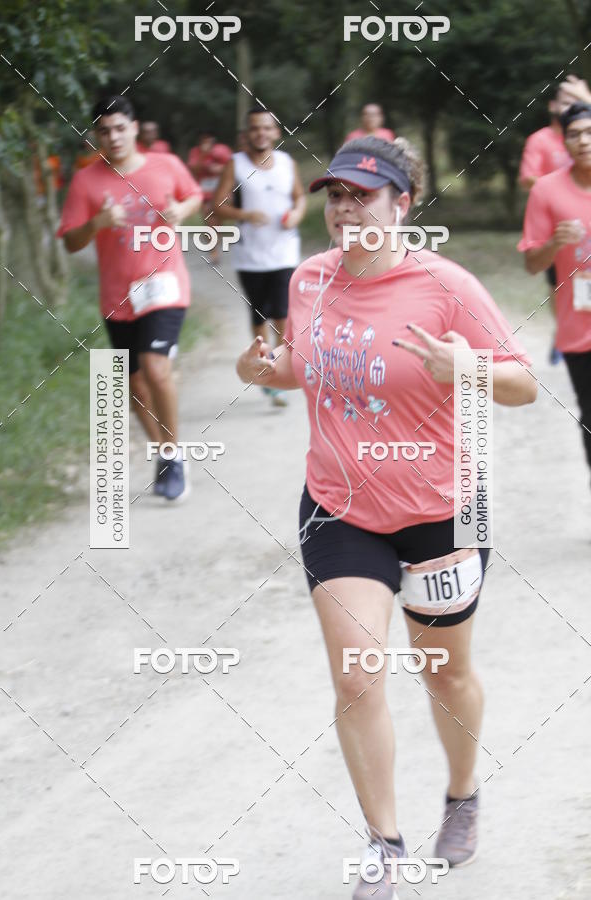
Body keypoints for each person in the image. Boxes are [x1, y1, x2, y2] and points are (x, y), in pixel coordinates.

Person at [237, 136, 537, 898]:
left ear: (402, 203)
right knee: (358, 676)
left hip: (444, 509)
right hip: (340, 507)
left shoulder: (448, 287)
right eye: (335, 195)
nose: (344, 208)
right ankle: (385, 843)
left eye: (362, 194)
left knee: (445, 673)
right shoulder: (307, 281)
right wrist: (264, 369)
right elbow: (303, 366)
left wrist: (461, 366)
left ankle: (464, 794)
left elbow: (523, 385)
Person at [57, 95, 202, 501]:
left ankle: (174, 456)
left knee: (156, 370)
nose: (113, 136)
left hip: (164, 285)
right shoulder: (87, 181)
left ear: (135, 128)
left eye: (120, 128)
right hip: (118, 297)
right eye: (104, 131)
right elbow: (70, 241)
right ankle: (164, 453)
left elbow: (192, 195)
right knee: (135, 388)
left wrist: (182, 210)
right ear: (96, 136)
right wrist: (97, 223)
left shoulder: (165, 164)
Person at [519, 101, 591, 486]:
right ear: (565, 142)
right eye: (575, 134)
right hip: (581, 329)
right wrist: (554, 243)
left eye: (589, 131)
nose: (583, 141)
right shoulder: (547, 190)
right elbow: (532, 263)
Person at [215, 107, 306, 408]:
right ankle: (263, 365)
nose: (261, 133)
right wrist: (244, 214)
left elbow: (300, 197)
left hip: (284, 251)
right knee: (259, 315)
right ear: (247, 134)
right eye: (255, 128)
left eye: (267, 128)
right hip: (250, 255)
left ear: (276, 132)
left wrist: (295, 215)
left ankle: (279, 372)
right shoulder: (236, 165)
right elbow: (217, 207)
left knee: (283, 313)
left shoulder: (286, 163)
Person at [519, 84, 574, 364]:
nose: (569, 106)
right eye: (564, 101)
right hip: (553, 226)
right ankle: (563, 330)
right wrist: (559, 191)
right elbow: (528, 177)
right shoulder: (539, 140)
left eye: (575, 100)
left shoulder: (583, 136)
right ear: (552, 106)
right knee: (558, 282)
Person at [187, 133, 233, 261]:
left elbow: (232, 167)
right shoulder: (195, 153)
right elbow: (193, 169)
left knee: (216, 220)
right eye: (204, 141)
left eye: (209, 141)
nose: (206, 144)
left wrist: (220, 169)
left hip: (220, 191)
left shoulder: (222, 150)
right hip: (205, 192)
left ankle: (213, 238)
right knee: (209, 218)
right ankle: (213, 250)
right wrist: (204, 158)